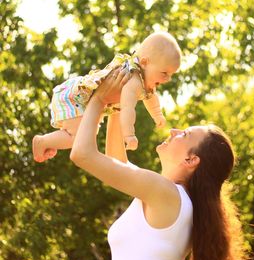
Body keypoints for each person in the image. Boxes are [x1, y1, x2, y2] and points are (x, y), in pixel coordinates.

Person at [70, 69, 248, 260]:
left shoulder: (165, 194)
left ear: (191, 160)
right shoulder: (170, 196)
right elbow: (117, 161)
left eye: (184, 134)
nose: (174, 131)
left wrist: (99, 98)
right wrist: (118, 104)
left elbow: (82, 154)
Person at [32, 31, 181, 162]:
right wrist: (129, 135)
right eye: (164, 73)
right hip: (76, 97)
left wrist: (157, 115)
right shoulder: (133, 79)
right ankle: (43, 141)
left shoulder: (144, 80)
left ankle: (52, 141)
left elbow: (151, 98)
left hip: (83, 101)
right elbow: (127, 108)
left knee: (82, 135)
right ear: (145, 62)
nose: (168, 79)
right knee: (79, 137)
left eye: (171, 75)